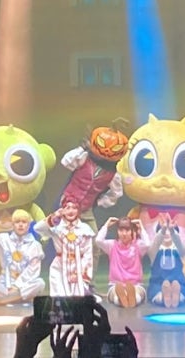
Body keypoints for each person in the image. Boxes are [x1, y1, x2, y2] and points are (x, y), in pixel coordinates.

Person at [58, 121, 129, 285]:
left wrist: (99, 201)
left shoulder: (112, 174)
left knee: (94, 244)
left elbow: (116, 194)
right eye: (103, 143)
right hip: (68, 205)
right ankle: (64, 281)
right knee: (65, 243)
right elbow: (66, 162)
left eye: (115, 147)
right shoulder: (84, 159)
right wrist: (84, 149)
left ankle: (88, 281)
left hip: (86, 209)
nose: (108, 149)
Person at [0, 196, 45, 304]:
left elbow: (32, 270)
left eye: (24, 222)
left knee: (40, 283)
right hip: (5, 283)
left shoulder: (35, 245)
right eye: (17, 222)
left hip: (24, 284)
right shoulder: (4, 239)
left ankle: (4, 299)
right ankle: (18, 298)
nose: (20, 225)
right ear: (12, 224)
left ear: (28, 225)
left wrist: (17, 286)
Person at [34, 197, 95, 296]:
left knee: (78, 298)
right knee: (60, 298)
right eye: (67, 208)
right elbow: (38, 228)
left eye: (74, 208)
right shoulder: (57, 228)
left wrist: (81, 275)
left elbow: (88, 255)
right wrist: (54, 216)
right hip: (59, 267)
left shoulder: (85, 229)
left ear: (78, 210)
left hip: (78, 267)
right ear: (62, 210)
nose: (71, 211)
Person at [95, 217, 150, 307]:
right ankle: (122, 300)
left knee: (138, 293)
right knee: (115, 294)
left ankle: (132, 299)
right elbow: (98, 241)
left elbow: (147, 244)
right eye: (121, 230)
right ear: (117, 231)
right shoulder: (111, 245)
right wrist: (106, 225)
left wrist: (141, 227)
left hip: (135, 285)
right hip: (116, 285)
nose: (124, 234)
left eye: (127, 230)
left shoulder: (138, 246)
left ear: (132, 231)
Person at [147, 215, 185, 308]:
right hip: (158, 283)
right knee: (157, 293)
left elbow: (182, 248)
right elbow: (155, 244)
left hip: (178, 282)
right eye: (163, 231)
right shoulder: (154, 251)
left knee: (181, 290)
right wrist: (163, 229)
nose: (167, 233)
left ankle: (175, 296)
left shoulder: (179, 250)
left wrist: (172, 230)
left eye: (169, 232)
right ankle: (164, 296)